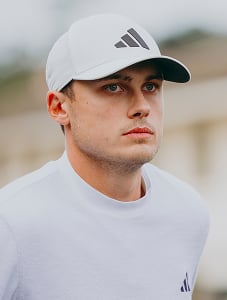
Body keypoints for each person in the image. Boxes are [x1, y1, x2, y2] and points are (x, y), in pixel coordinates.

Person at [0, 14, 209, 300]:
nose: (142, 106)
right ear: (59, 107)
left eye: (151, 86)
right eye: (114, 87)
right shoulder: (12, 222)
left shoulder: (188, 212)